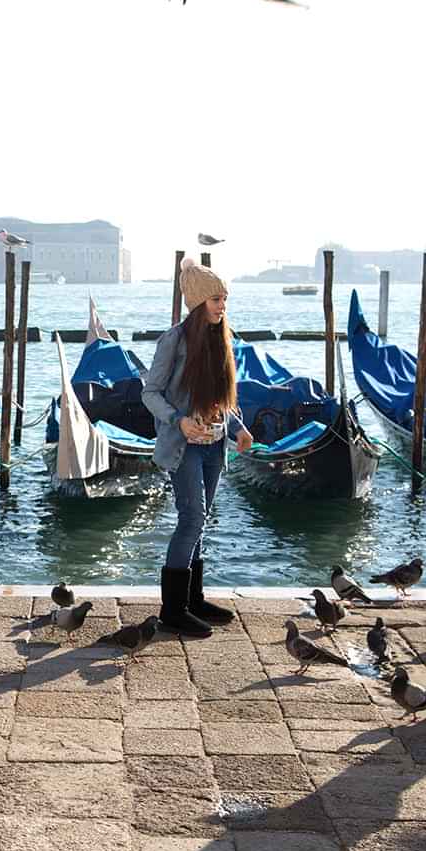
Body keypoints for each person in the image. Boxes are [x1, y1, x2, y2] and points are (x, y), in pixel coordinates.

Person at [141, 259, 254, 638]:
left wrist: (239, 428)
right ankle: (173, 611)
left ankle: (194, 599)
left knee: (200, 521)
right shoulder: (173, 340)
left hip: (214, 445)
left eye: (225, 298)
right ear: (198, 302)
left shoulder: (223, 338)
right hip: (184, 445)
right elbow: (150, 392)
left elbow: (223, 400)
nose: (223, 306)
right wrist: (178, 420)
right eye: (216, 299)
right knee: (192, 518)